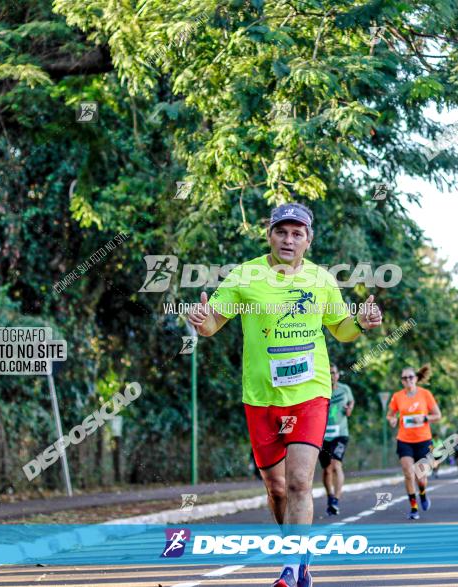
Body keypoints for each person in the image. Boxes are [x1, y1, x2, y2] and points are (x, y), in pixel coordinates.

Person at [187, 202, 382, 587]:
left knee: (298, 482)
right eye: (281, 231)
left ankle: (291, 570)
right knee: (276, 490)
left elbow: (340, 329)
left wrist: (359, 322)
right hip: (260, 398)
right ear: (269, 235)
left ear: (308, 240)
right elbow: (212, 325)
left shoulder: (321, 280)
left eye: (297, 233)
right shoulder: (245, 275)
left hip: (310, 394)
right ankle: (298, 553)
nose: (288, 239)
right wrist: (200, 320)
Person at [386, 365, 441, 520]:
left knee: (420, 477)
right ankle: (413, 507)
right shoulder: (397, 396)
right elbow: (390, 415)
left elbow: (438, 415)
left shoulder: (425, 394)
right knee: (408, 474)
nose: (408, 380)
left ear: (416, 378)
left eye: (410, 377)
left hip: (423, 440)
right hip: (404, 440)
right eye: (404, 378)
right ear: (402, 381)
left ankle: (422, 493)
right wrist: (391, 420)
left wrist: (424, 418)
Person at [320, 364, 354, 516]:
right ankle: (330, 496)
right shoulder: (320, 390)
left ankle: (336, 500)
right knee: (327, 469)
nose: (331, 376)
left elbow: (351, 402)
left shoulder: (344, 389)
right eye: (328, 373)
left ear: (338, 375)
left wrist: (349, 409)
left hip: (341, 434)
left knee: (336, 464)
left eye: (333, 373)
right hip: (322, 435)